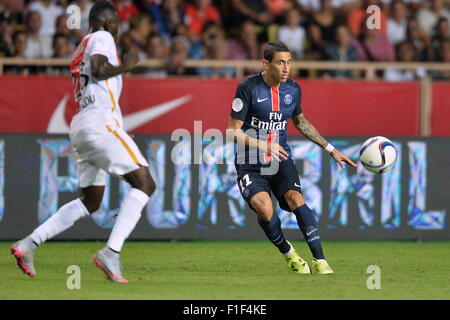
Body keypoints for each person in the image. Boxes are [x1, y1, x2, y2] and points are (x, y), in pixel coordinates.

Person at [11, 0, 156, 283]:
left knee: (90, 201)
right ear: (108, 22)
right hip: (100, 123)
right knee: (145, 183)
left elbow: (96, 74)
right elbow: (100, 69)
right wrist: (127, 65)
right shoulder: (101, 38)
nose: (117, 29)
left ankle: (29, 243)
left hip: (83, 125)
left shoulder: (83, 44)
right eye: (116, 23)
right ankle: (111, 252)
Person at [226, 41, 357, 275]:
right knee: (264, 208)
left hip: (281, 158)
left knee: (296, 198)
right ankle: (290, 255)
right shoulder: (248, 88)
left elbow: (301, 122)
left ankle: (320, 260)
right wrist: (263, 144)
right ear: (266, 64)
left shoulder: (293, 90)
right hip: (250, 162)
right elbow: (231, 131)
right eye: (280, 62)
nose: (286, 68)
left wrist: (330, 149)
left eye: (289, 62)